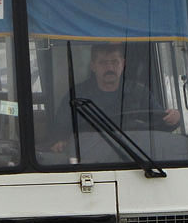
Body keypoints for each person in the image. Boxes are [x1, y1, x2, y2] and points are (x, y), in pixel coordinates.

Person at [50, 43, 180, 153]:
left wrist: (173, 118)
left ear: (123, 64)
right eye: (103, 63)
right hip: (90, 158)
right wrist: (61, 141)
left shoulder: (139, 92)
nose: (110, 68)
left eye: (114, 62)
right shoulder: (77, 95)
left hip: (135, 157)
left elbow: (161, 121)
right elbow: (60, 128)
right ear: (93, 66)